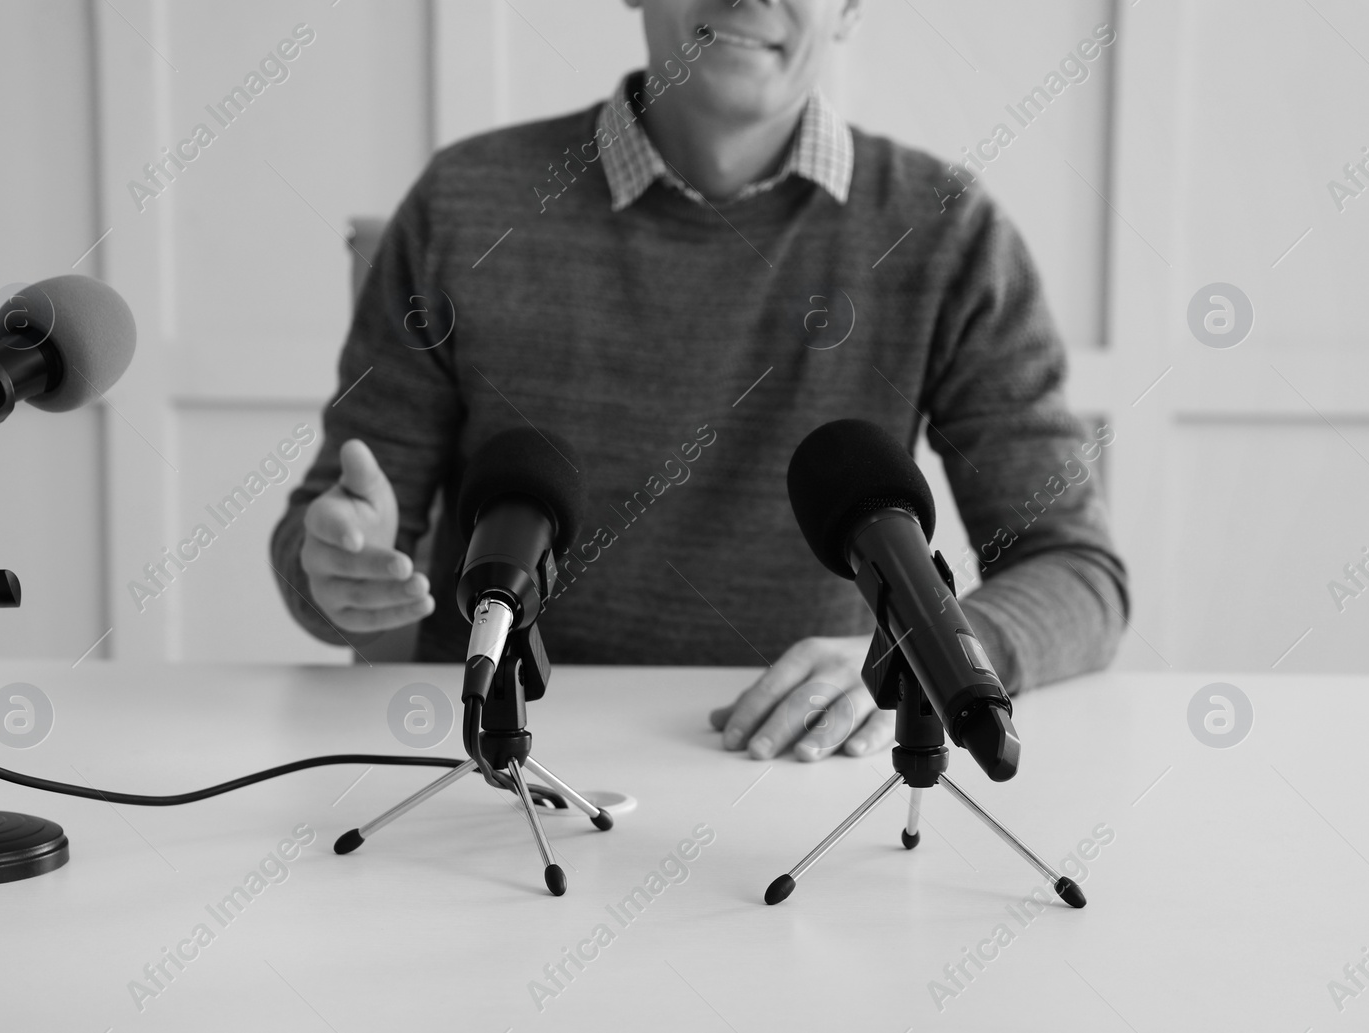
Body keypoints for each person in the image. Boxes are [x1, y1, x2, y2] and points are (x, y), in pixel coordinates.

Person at [271, 0, 1129, 763]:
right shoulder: (461, 204)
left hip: (789, 771)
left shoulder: (946, 230)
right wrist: (338, 568)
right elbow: (318, 554)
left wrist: (934, 644)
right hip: (499, 765)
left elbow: (1079, 571)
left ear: (851, 8)